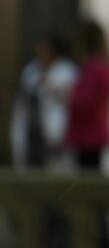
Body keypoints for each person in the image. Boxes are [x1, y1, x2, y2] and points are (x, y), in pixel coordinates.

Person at [10, 33, 78, 170]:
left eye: (45, 48)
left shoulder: (67, 71)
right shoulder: (30, 71)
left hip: (58, 133)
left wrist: (52, 88)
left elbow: (74, 100)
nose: (41, 51)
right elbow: (22, 102)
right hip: (32, 132)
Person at [66, 19, 109, 169]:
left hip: (88, 133)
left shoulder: (94, 68)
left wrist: (66, 96)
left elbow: (85, 102)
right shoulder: (103, 65)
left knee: (86, 179)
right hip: (93, 131)